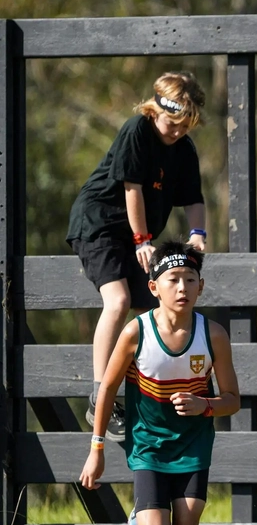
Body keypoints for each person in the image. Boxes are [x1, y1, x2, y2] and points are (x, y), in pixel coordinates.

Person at [79, 240, 240, 525]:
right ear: (154, 287)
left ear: (201, 286)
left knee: (188, 521)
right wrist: (97, 448)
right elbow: (105, 390)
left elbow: (233, 400)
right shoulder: (137, 333)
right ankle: (142, 515)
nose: (182, 287)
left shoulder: (213, 335)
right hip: (149, 442)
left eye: (190, 279)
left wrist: (205, 405)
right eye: (173, 279)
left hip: (194, 443)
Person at [67, 72, 208, 441]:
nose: (177, 132)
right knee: (119, 300)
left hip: (135, 237)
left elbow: (194, 199)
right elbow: (133, 189)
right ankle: (101, 395)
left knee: (154, 313)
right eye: (173, 123)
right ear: (156, 109)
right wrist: (143, 239)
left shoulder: (184, 149)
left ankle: (148, 390)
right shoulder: (137, 131)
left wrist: (197, 236)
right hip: (101, 225)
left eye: (185, 126)